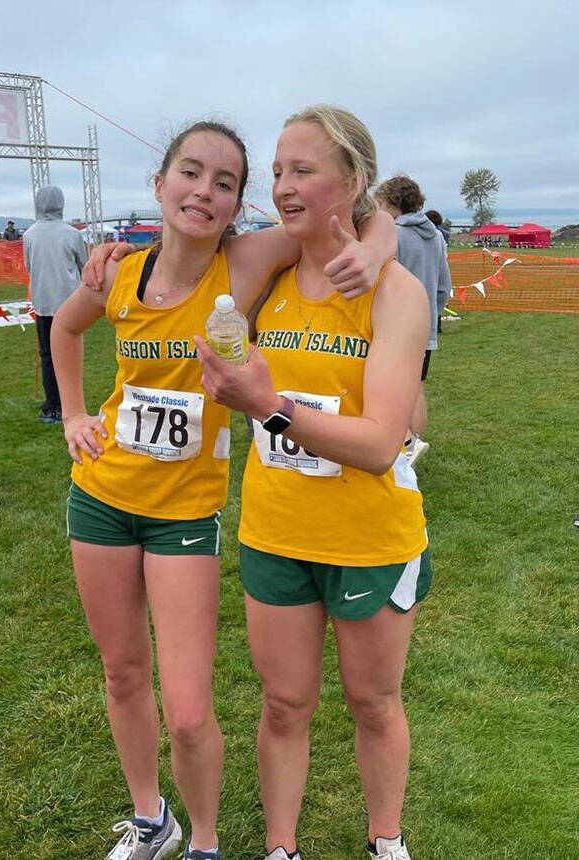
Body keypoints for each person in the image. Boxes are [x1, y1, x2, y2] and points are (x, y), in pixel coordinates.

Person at [51, 119, 395, 860]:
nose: (203, 191)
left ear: (239, 206)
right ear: (160, 183)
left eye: (225, 182)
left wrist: (372, 250)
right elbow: (64, 329)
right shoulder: (117, 273)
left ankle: (203, 841)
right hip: (101, 499)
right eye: (190, 172)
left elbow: (368, 206)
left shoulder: (244, 263)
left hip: (183, 516)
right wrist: (75, 413)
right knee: (120, 672)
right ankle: (152, 818)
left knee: (187, 712)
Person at [195, 105, 431, 860]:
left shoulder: (394, 293)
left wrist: (267, 405)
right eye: (277, 170)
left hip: (369, 536)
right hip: (277, 531)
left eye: (303, 170)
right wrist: (102, 270)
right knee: (285, 704)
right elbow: (181, 248)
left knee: (374, 702)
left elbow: (379, 443)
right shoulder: (264, 274)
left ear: (352, 179)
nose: (283, 185)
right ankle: (281, 848)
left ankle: (386, 840)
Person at [374, 175, 452, 466]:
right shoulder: (436, 237)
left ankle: (406, 444)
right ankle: (412, 446)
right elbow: (444, 286)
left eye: (380, 203)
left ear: (393, 203)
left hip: (394, 323)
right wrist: (431, 314)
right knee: (415, 386)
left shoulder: (391, 234)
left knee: (389, 388)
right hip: (426, 326)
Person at [23, 185, 87, 423]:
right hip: (70, 304)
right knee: (70, 354)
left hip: (44, 305)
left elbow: (30, 267)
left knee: (48, 356)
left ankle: (54, 406)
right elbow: (85, 265)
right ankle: (68, 405)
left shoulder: (30, 235)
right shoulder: (72, 234)